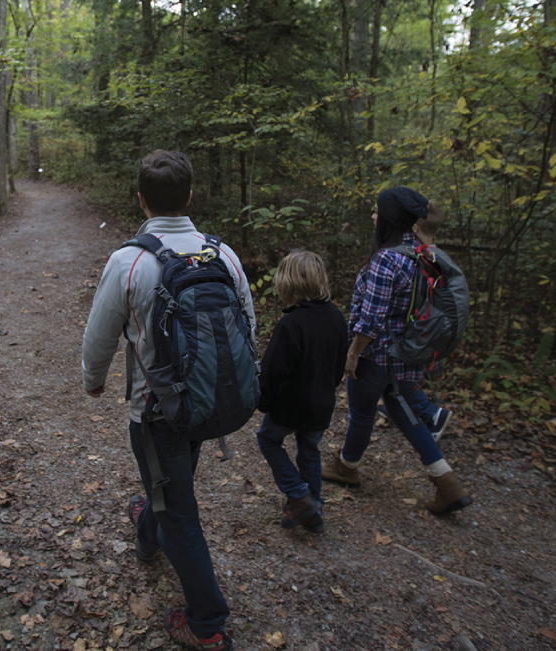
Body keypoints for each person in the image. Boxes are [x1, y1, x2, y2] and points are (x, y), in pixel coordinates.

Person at [82, 150, 251, 651]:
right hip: (208, 402)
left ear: (140, 199)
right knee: (170, 487)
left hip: (155, 412)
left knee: (178, 508)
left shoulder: (129, 260)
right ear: (190, 196)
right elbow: (246, 327)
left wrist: (94, 380)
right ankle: (148, 526)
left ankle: (207, 624)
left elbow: (99, 336)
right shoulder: (223, 255)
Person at [322, 187, 473, 516]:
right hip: (408, 357)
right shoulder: (424, 253)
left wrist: (352, 354)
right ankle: (447, 482)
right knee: (406, 416)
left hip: (375, 357)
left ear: (389, 218)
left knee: (361, 415)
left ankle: (347, 467)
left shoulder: (387, 259)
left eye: (377, 211)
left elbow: (371, 319)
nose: (373, 216)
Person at [255, 250, 347, 534]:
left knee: (268, 440)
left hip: (290, 406)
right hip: (321, 403)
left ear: (287, 283)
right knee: (309, 451)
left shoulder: (290, 325)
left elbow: (273, 372)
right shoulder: (336, 317)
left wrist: (263, 400)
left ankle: (298, 494)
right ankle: (313, 510)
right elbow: (338, 364)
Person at [376, 205, 453, 440]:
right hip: (428, 330)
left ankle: (432, 414)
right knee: (400, 377)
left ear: (414, 227)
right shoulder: (436, 254)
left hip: (416, 330)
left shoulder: (418, 256)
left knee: (399, 377)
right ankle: (399, 408)